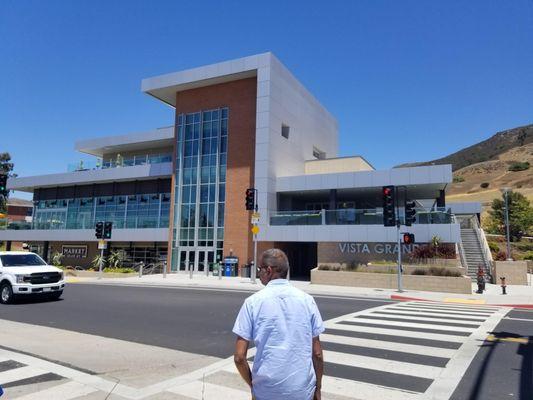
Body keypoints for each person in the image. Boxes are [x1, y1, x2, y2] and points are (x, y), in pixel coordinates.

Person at [232, 248, 325, 400]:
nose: (258, 273)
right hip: (301, 391)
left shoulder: (252, 303)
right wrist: (318, 388)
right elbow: (317, 354)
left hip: (265, 391)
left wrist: (253, 385)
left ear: (268, 271)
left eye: (260, 269)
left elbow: (239, 357)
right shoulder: (307, 300)